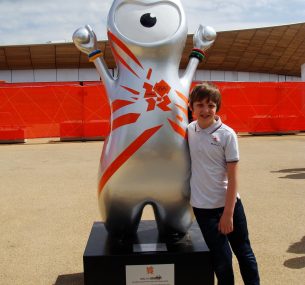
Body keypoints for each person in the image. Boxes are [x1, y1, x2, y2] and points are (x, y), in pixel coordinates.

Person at [187, 82, 260, 285]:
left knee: (244, 253)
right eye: (200, 105)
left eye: (210, 105)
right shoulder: (189, 131)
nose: (205, 110)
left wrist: (228, 214)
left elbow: (233, 176)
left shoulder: (227, 134)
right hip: (203, 209)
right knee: (222, 261)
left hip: (229, 207)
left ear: (217, 107)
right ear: (191, 107)